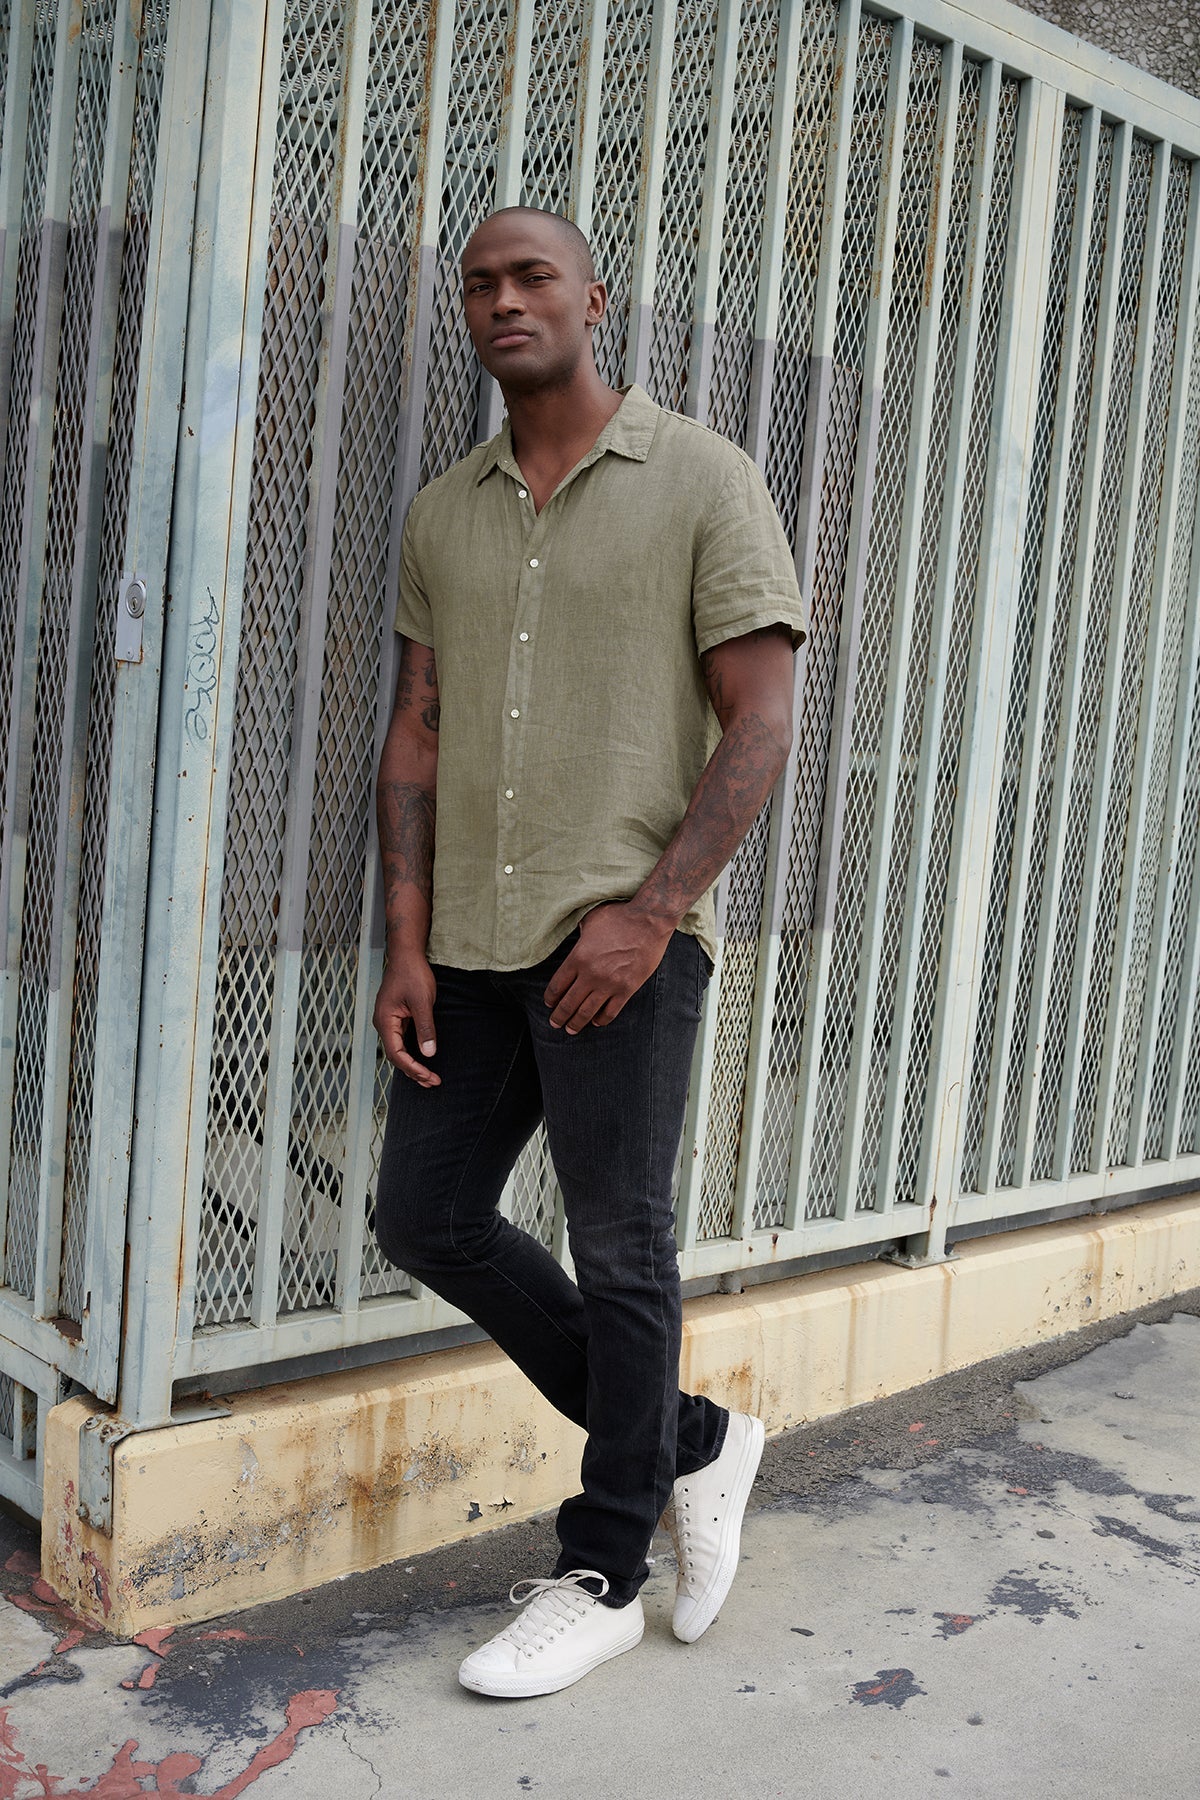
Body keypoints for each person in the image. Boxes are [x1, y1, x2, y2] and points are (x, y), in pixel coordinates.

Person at [372, 205, 806, 1699]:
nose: (502, 300)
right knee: (424, 1219)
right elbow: (416, 735)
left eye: (530, 276)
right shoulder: (446, 510)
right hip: (474, 944)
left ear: (593, 298)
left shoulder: (702, 477)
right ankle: (695, 1441)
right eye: (480, 284)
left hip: (622, 931)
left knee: (624, 1245)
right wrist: (408, 944)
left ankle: (606, 1564)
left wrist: (653, 910)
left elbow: (762, 717)